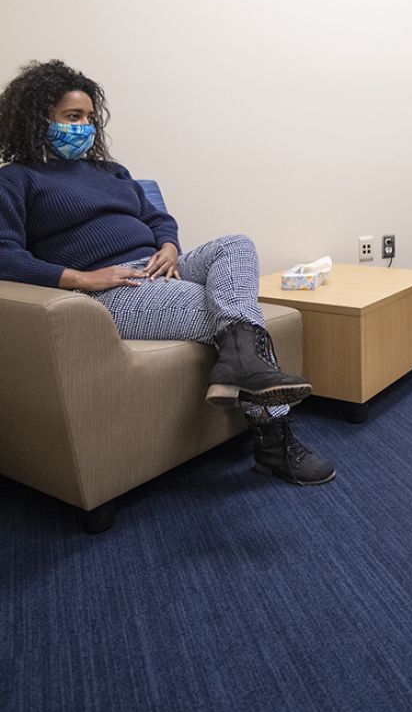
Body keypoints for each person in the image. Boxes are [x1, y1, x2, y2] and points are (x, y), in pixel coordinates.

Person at [0, 59, 336, 485]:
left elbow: (159, 218)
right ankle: (275, 439)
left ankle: (241, 366)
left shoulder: (111, 172)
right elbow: (4, 255)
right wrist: (83, 279)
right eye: (71, 117)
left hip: (161, 267)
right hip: (115, 287)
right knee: (226, 310)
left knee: (236, 243)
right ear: (37, 119)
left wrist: (170, 248)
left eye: (88, 118)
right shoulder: (15, 181)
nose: (83, 127)